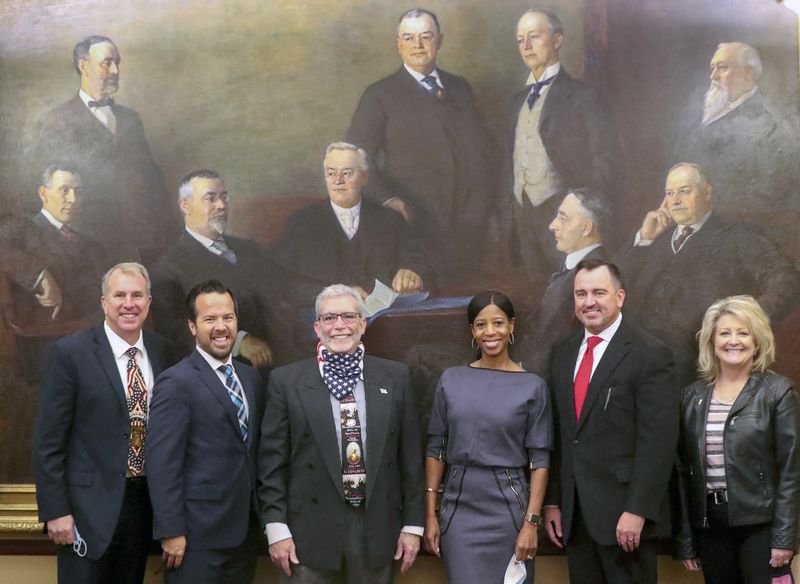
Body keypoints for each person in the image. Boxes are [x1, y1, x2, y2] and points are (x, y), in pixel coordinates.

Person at [258, 284, 424, 583]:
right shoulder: (286, 381)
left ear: (362, 324)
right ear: (317, 327)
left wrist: (413, 525)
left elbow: (410, 458)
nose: (339, 326)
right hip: (306, 534)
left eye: (348, 316)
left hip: (376, 530)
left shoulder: (395, 377)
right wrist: (276, 529)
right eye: (329, 318)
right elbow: (271, 465)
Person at [33, 262, 175, 584]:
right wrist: (56, 511)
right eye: (120, 295)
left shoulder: (162, 350)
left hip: (142, 507)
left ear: (148, 302)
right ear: (103, 303)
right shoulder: (71, 353)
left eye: (137, 295)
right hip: (86, 512)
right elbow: (48, 442)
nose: (129, 303)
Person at [544, 259, 678, 584]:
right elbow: (562, 436)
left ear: (620, 297)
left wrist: (638, 510)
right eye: (581, 294)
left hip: (625, 520)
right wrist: (553, 501)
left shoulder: (650, 354)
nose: (588, 302)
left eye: (598, 292)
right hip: (576, 521)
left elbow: (657, 443)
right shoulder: (561, 353)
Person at [617, 162, 800, 387]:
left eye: (684, 191)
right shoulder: (655, 239)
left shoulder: (737, 237)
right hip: (629, 352)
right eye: (669, 193)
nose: (675, 200)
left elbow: (787, 279)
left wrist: (748, 320)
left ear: (707, 192)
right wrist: (644, 239)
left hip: (687, 361)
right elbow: (610, 287)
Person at [347, 8, 494, 277]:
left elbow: (481, 154)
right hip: (414, 225)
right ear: (398, 44)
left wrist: (481, 208)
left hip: (468, 227)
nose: (418, 45)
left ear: (439, 41)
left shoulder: (460, 87)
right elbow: (356, 158)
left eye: (426, 36)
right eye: (410, 37)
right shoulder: (379, 94)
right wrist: (388, 199)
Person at [423, 290, 551, 583]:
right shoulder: (451, 379)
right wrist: (430, 515)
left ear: (512, 326)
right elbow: (436, 449)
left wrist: (531, 523)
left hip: (510, 511)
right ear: (472, 331)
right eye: (481, 324)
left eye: (498, 323)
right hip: (459, 512)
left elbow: (540, 460)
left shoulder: (533, 386)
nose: (490, 332)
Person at [146, 280, 265, 583]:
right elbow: (162, 464)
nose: (221, 327)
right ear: (192, 326)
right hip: (195, 540)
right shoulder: (176, 382)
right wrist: (171, 531)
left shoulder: (250, 378)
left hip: (244, 534)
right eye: (210, 319)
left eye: (228, 318)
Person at [675, 295, 799, 583]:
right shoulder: (691, 397)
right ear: (712, 342)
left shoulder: (777, 393)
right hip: (710, 529)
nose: (734, 341)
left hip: (761, 528)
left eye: (743, 333)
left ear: (757, 341)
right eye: (725, 333)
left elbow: (791, 471)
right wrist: (686, 538)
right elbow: (681, 474)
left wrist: (784, 536)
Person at [28, 35, 179, 261]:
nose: (116, 70)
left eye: (118, 62)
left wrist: (167, 235)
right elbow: (36, 191)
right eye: (107, 63)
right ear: (84, 66)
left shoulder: (130, 119)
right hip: (85, 247)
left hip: (144, 243)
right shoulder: (54, 122)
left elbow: (152, 180)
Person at [502, 8, 624, 276]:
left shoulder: (584, 98)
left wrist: (585, 216)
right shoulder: (515, 102)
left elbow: (606, 165)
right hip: (522, 219)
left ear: (557, 40)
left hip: (568, 219)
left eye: (534, 36)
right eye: (521, 39)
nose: (526, 45)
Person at [150, 169, 292, 367]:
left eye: (224, 197)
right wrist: (237, 343)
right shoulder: (168, 268)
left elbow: (285, 291)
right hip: (225, 370)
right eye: (211, 198)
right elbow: (174, 333)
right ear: (186, 206)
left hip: (280, 360)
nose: (221, 205)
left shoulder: (248, 249)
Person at [273, 142, 431, 302]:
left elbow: (418, 258)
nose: (338, 181)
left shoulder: (390, 219)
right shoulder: (302, 223)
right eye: (331, 173)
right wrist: (332, 293)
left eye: (347, 173)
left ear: (364, 177)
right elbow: (285, 280)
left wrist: (413, 271)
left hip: (385, 318)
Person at [673, 42, 799, 214]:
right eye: (712, 68)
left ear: (747, 73)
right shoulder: (706, 113)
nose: (713, 76)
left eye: (722, 68)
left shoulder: (771, 127)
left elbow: (767, 199)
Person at [517, 188, 610, 377]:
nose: (552, 225)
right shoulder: (572, 268)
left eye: (563, 218)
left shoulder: (592, 276)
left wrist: (517, 368)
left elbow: (561, 349)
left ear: (586, 228)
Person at [1, 164, 107, 325]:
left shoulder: (92, 245)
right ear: (43, 193)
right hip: (50, 332)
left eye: (78, 191)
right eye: (64, 190)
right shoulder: (23, 228)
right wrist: (39, 275)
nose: (73, 199)